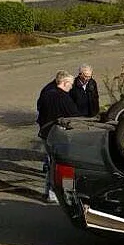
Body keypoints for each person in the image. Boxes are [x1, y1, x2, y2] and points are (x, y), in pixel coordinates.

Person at [36, 71, 79, 203]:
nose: (71, 87)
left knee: (51, 164)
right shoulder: (64, 98)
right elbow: (74, 116)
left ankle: (49, 193)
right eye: (70, 84)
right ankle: (67, 193)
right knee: (67, 166)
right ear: (65, 83)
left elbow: (39, 109)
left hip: (45, 134)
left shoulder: (46, 93)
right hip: (60, 136)